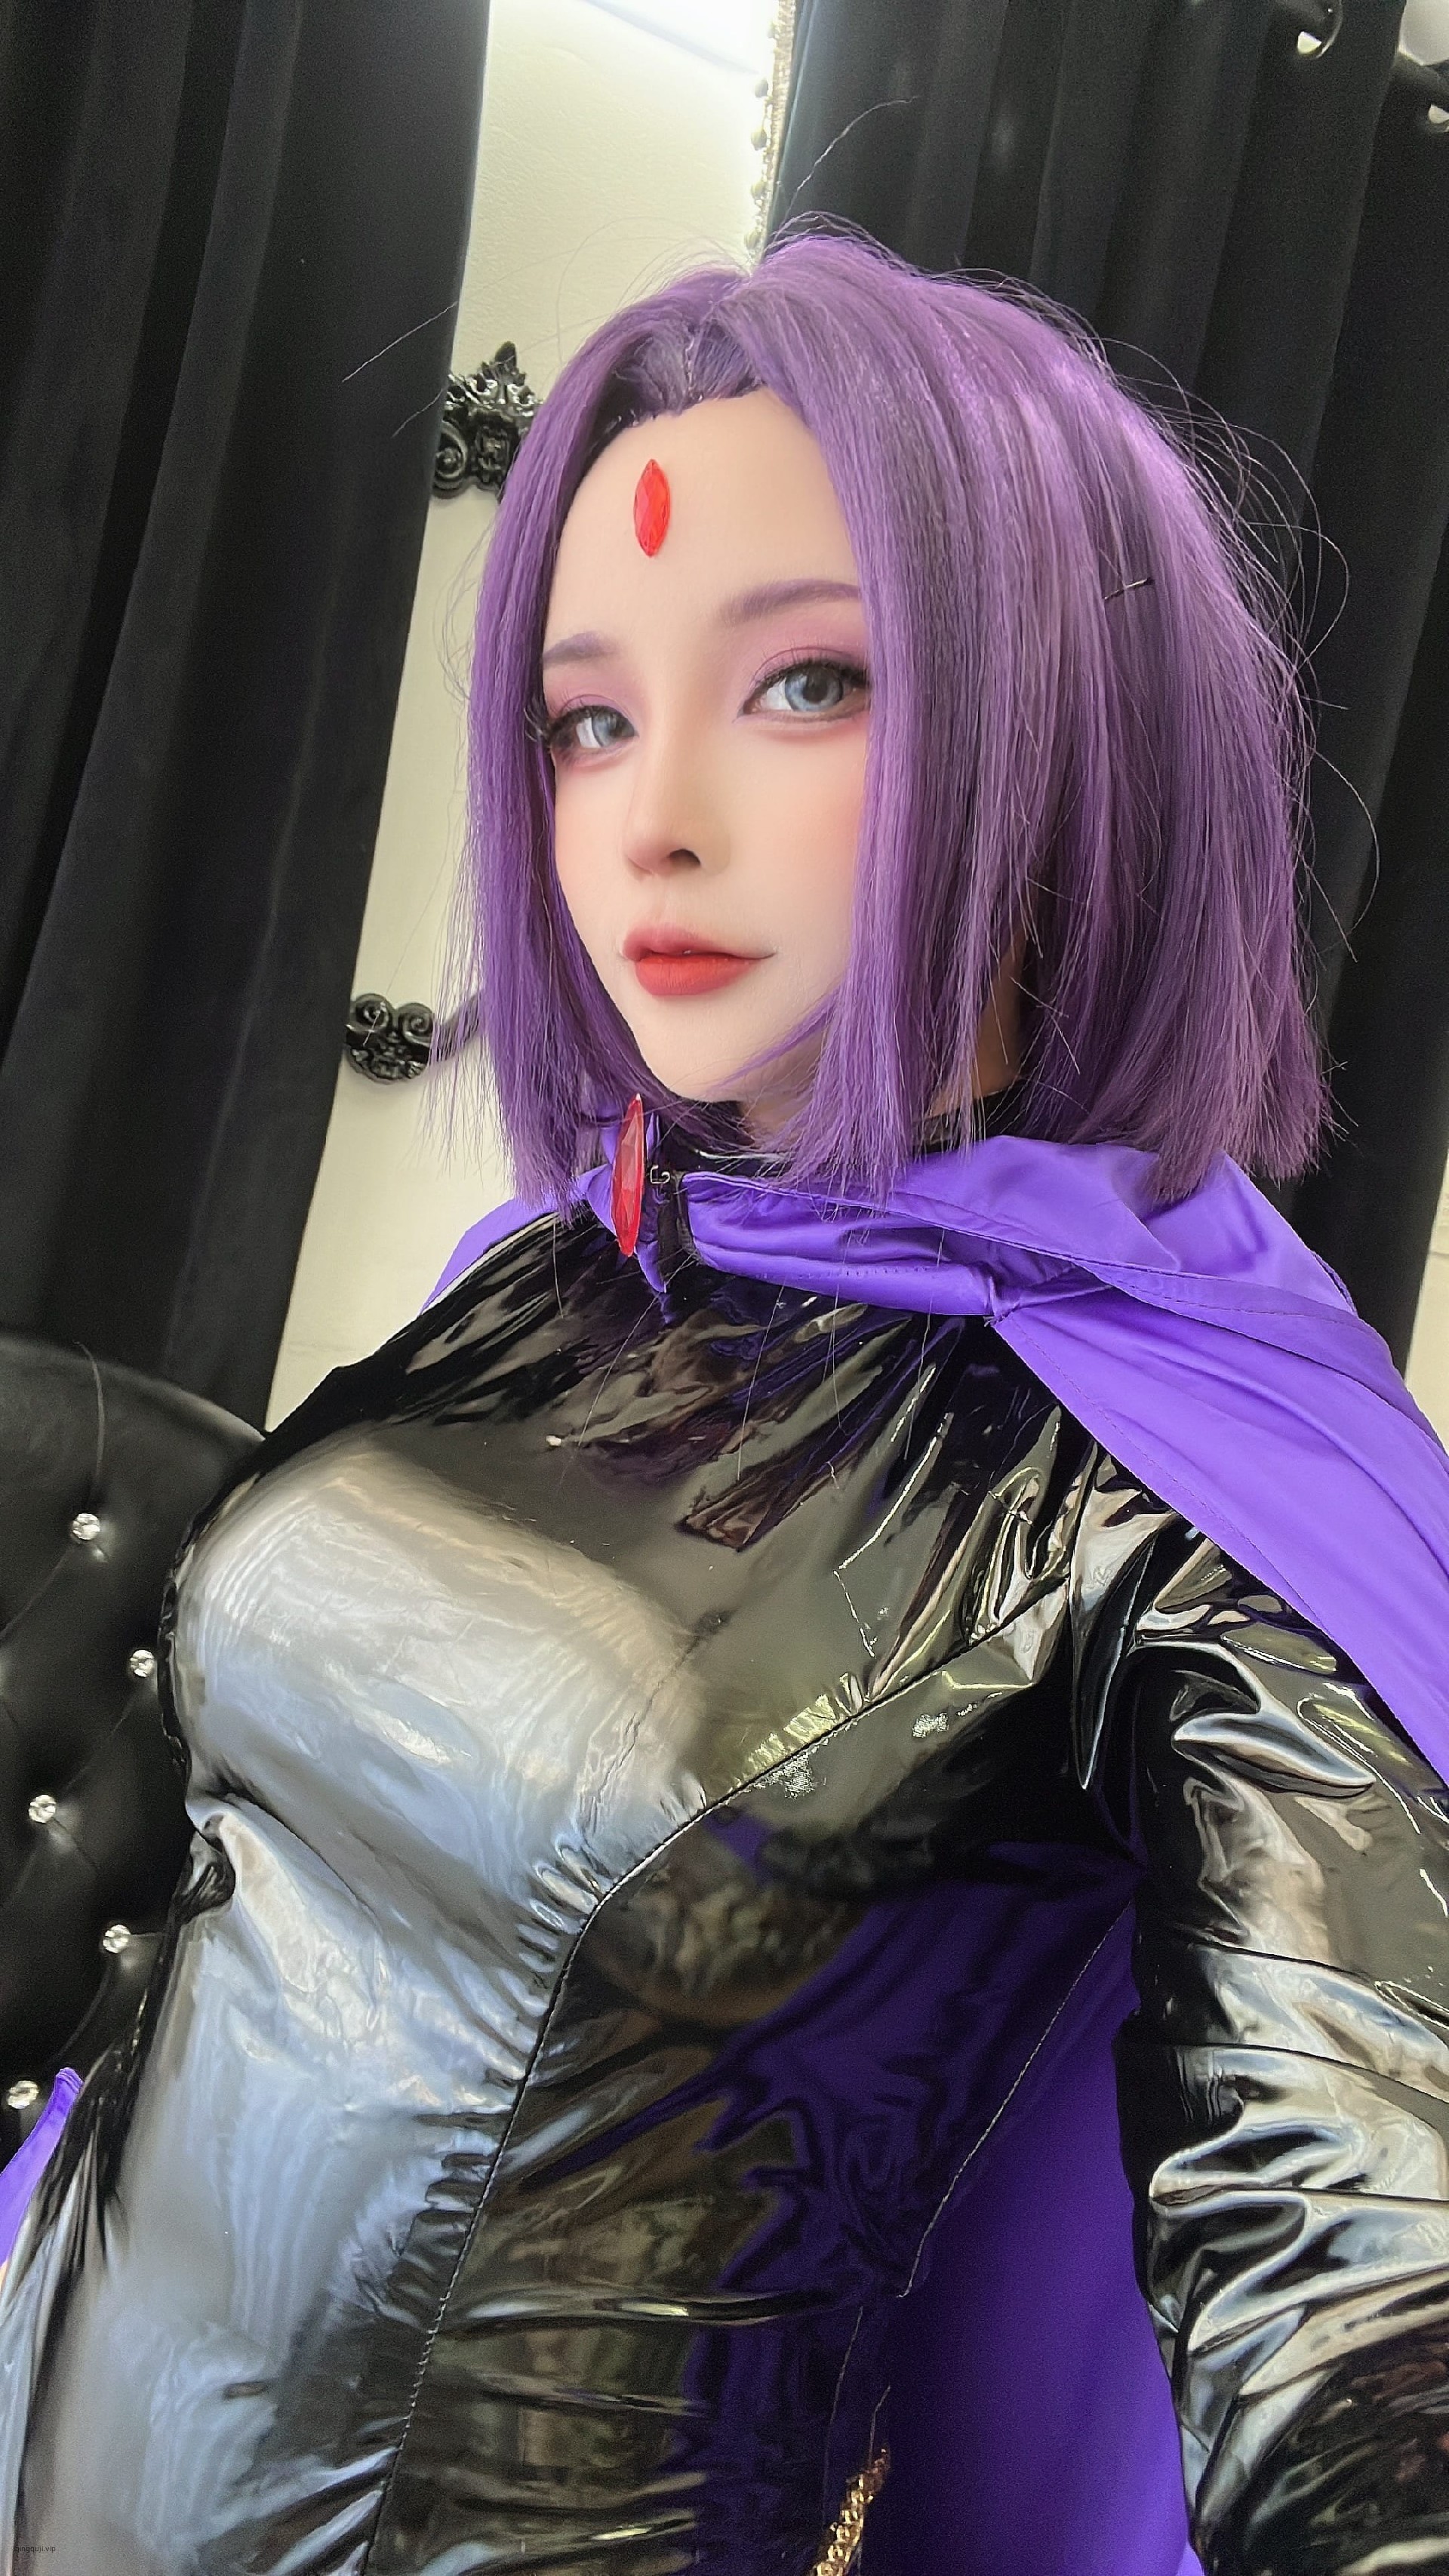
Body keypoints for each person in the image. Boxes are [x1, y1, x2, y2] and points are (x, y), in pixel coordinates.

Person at [3, 229, 1449, 2576]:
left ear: (1067, 732)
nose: (648, 820)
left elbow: (1372, 2316)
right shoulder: (558, 1271)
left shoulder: (1188, 1493)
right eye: (587, 718)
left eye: (806, 685)